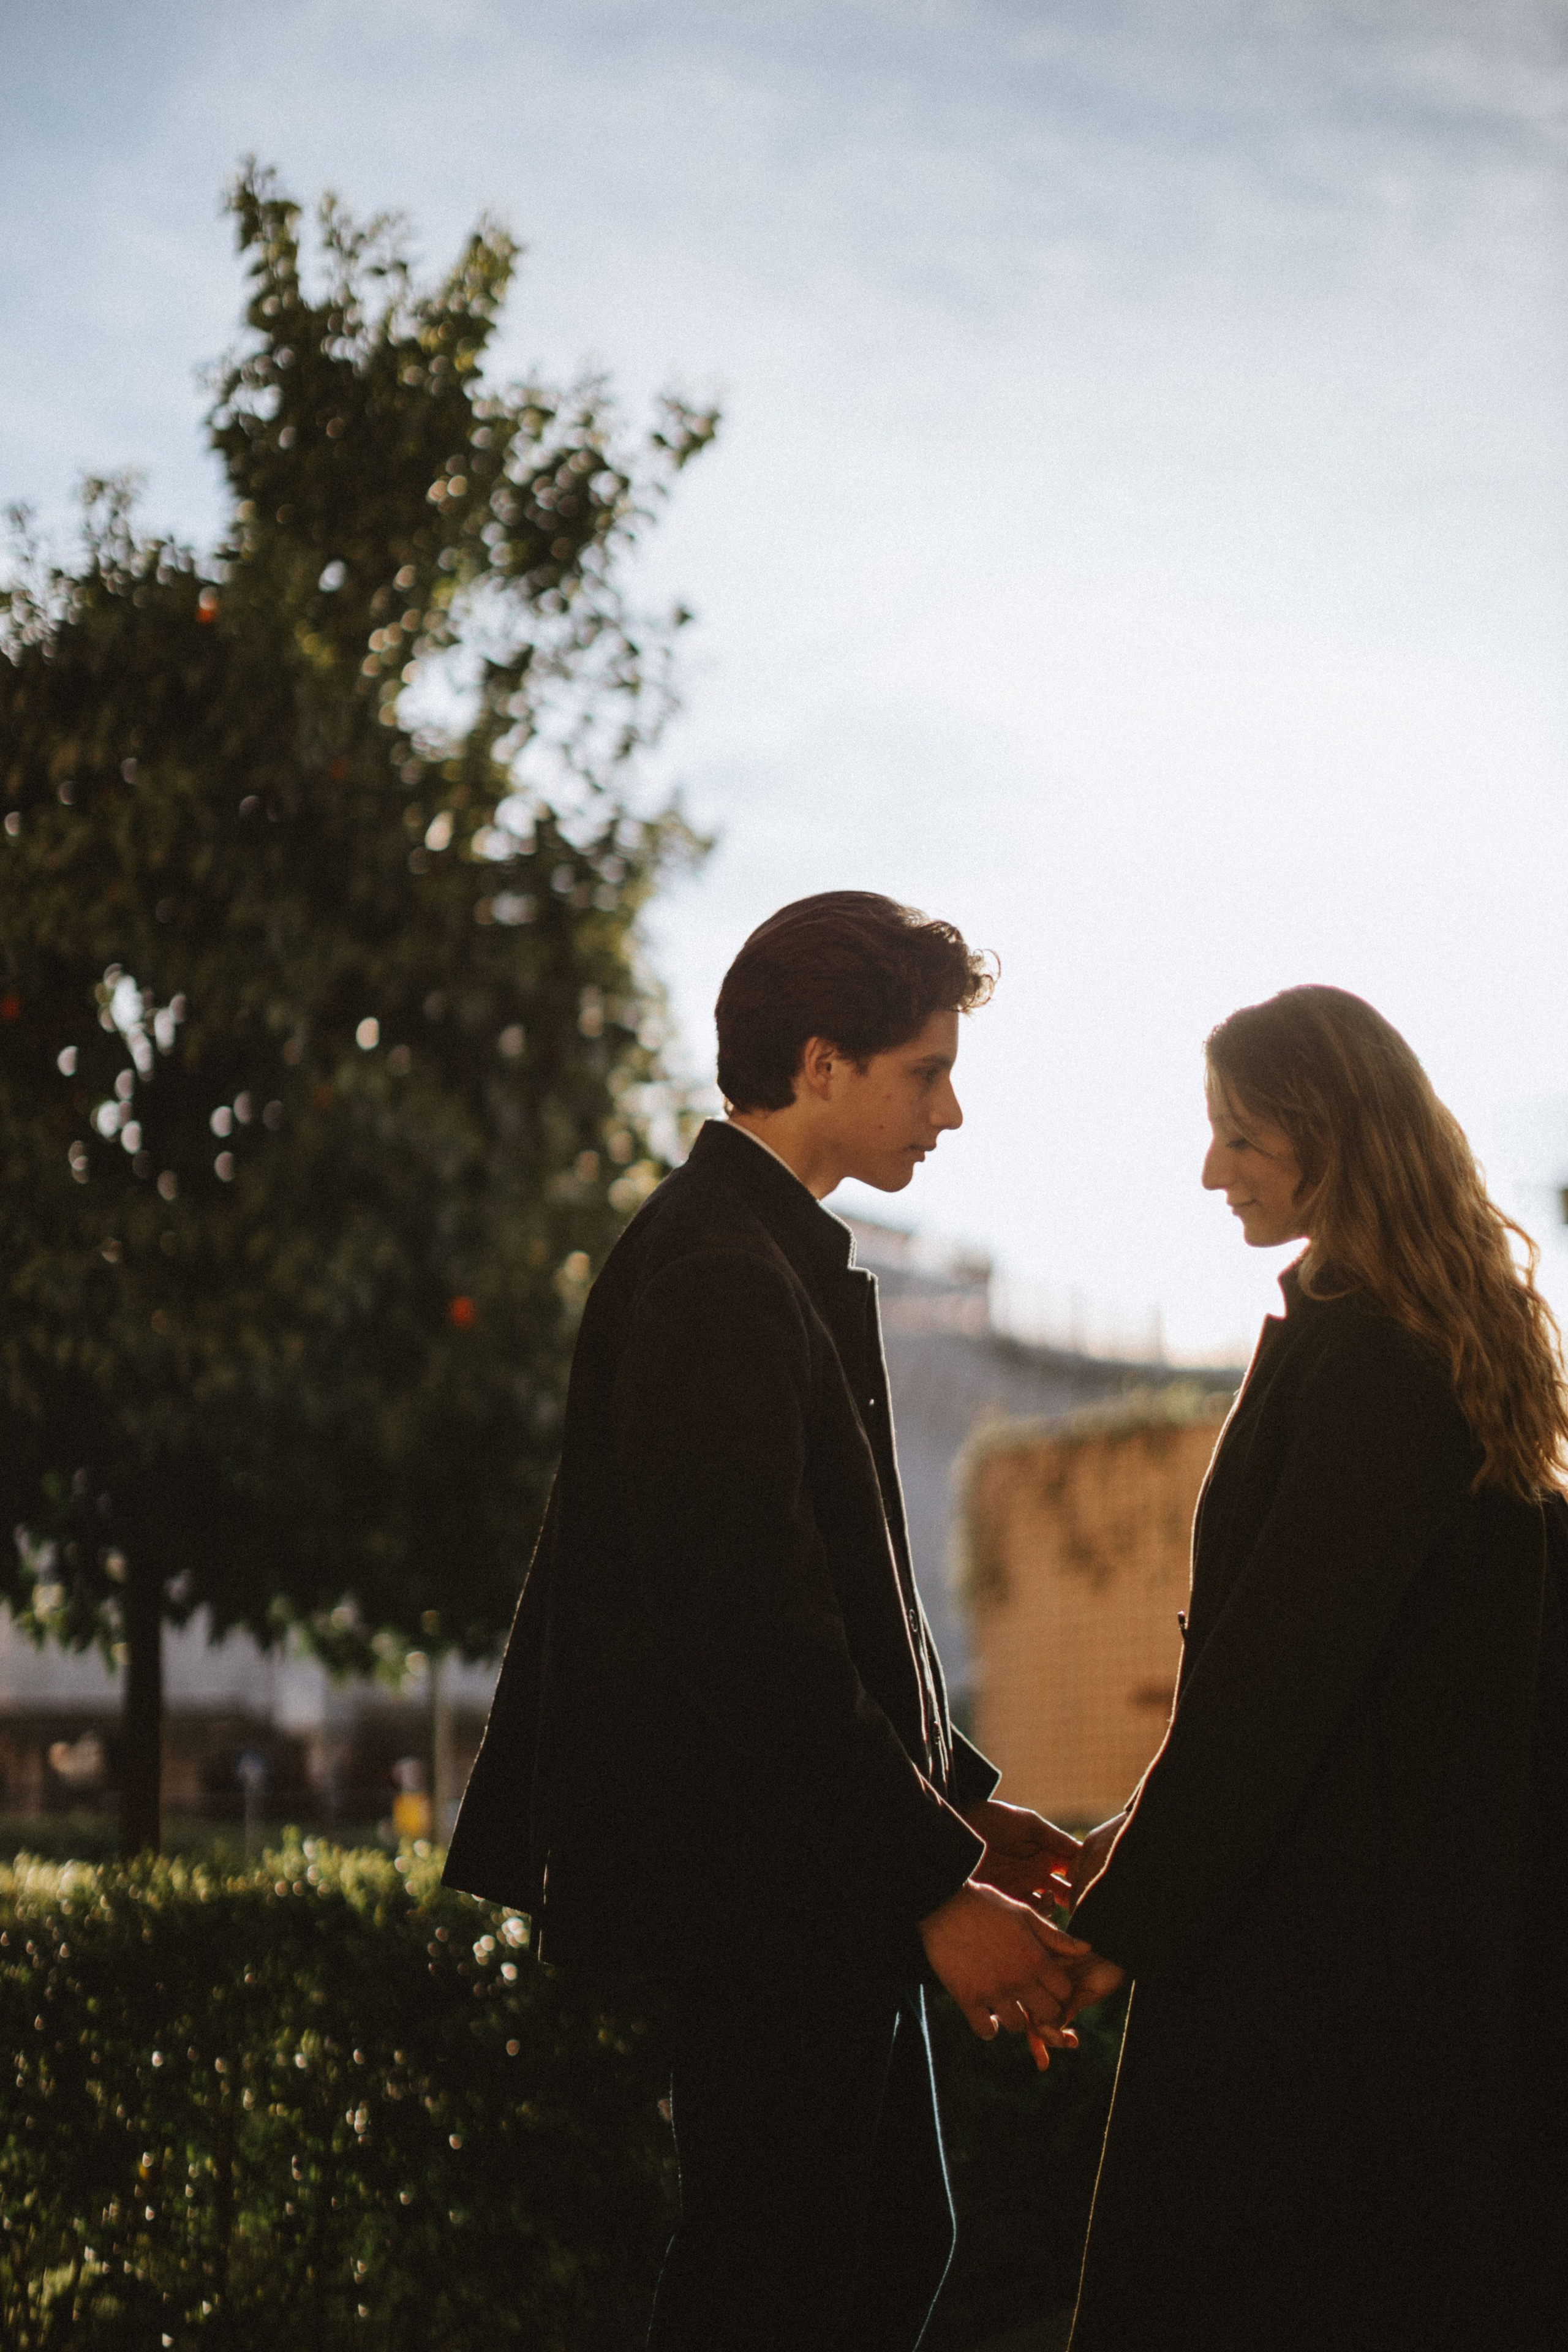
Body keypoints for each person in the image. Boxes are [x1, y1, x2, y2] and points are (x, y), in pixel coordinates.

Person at [445, 891, 1103, 2352]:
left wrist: (969, 1818)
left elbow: (818, 1617)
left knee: (864, 2254)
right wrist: (935, 1881)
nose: (950, 1109)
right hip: (770, 1896)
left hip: (807, 1879)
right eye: (924, 1069)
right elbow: (752, 1641)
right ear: (820, 1063)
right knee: (788, 2281)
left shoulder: (750, 1255)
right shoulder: (718, 1278)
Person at [1064, 984, 1568, 2352]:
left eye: (1237, 1136)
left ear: (1326, 1136)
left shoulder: (1369, 1369)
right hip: (1415, 1971)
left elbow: (1275, 1691)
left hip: (1320, 1986)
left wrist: (1118, 1925)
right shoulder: (1454, 1355)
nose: (1210, 1169)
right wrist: (1139, 1838)